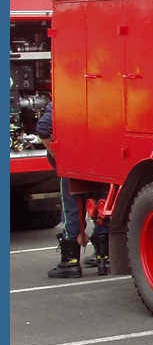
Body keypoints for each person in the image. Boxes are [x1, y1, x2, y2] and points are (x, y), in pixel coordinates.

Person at [35, 102, 109, 279]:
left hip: (72, 162)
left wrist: (54, 153)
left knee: (73, 211)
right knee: (101, 208)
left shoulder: (61, 101)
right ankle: (104, 259)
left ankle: (70, 262)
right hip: (101, 161)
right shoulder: (104, 99)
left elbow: (43, 128)